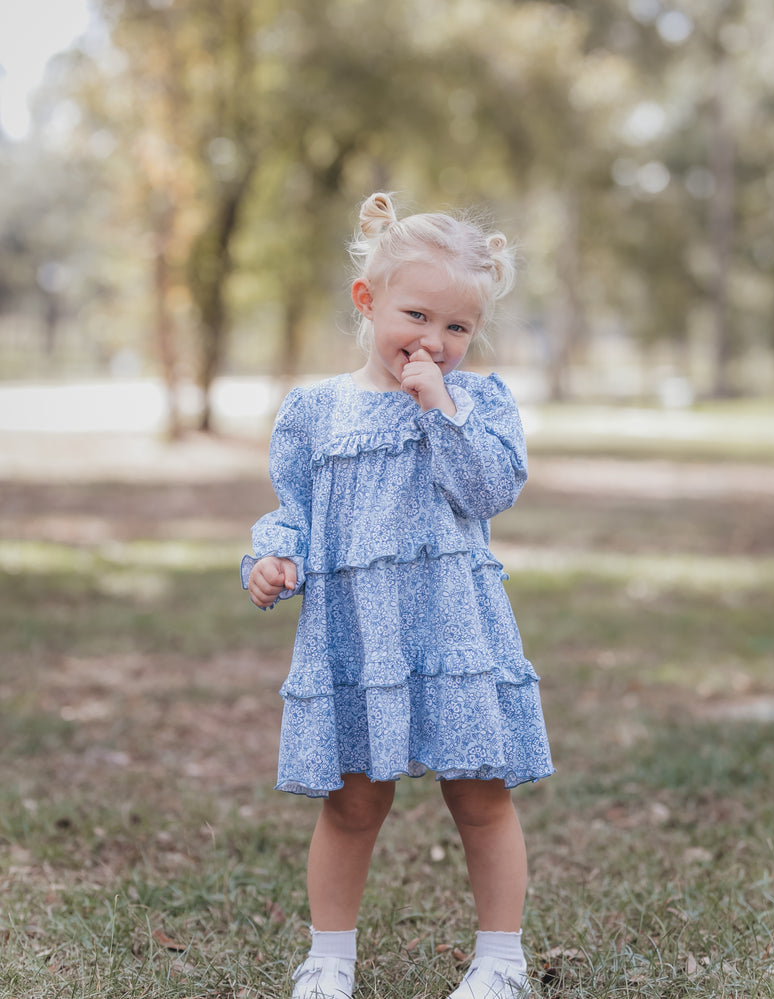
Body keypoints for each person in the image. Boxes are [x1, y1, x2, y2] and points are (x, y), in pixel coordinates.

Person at [241, 192, 554, 999]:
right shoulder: (317, 410)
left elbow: (488, 490)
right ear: (367, 300)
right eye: (417, 315)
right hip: (357, 635)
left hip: (451, 632)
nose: (436, 341)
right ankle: (329, 958)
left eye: (457, 327)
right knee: (352, 801)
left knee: (480, 795)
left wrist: (439, 408)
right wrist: (274, 558)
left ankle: (501, 963)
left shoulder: (476, 404)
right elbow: (294, 509)